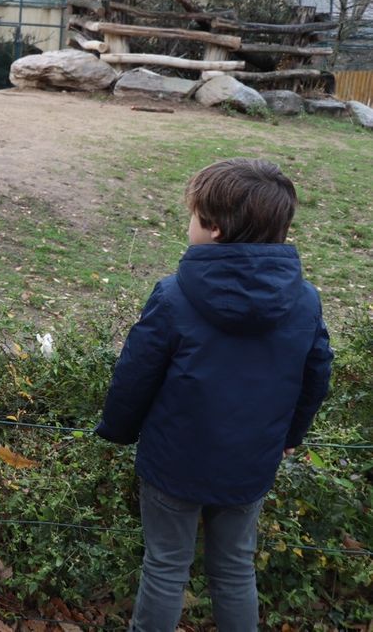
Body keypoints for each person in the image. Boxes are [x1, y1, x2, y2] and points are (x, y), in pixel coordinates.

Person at [96, 158, 332, 631]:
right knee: (235, 568)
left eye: (193, 213)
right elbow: (316, 375)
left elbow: (135, 374)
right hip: (250, 462)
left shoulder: (173, 295)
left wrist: (118, 431)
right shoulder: (305, 300)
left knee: (165, 566)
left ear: (216, 228)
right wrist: (292, 435)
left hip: (173, 463)